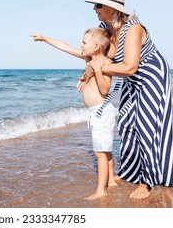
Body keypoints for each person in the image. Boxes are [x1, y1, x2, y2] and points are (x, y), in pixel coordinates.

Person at [82, 0, 173, 199]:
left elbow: (129, 66)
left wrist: (98, 67)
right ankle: (134, 172)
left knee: (146, 126)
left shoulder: (134, 28)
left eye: (98, 5)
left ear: (112, 8)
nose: (94, 9)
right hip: (132, 80)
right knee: (126, 123)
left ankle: (147, 182)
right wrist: (90, 67)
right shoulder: (108, 31)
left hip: (152, 77)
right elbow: (98, 57)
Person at [31, 28, 118, 200]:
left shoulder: (105, 63)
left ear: (97, 47)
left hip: (101, 111)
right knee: (105, 148)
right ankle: (112, 179)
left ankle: (102, 190)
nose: (81, 45)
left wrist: (97, 70)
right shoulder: (89, 59)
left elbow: (105, 89)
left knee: (100, 152)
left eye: (85, 42)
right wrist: (45, 38)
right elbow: (65, 47)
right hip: (96, 112)